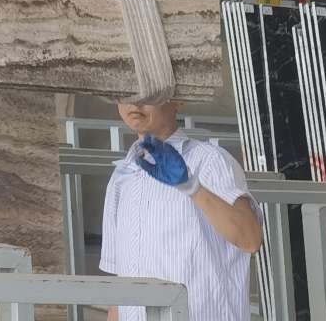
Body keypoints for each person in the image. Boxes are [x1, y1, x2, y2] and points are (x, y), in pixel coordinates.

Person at [99, 95, 264, 321]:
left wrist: (192, 187)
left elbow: (250, 239)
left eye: (148, 93)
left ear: (177, 100)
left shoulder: (209, 160)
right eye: (125, 93)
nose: (135, 102)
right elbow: (121, 280)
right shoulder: (122, 176)